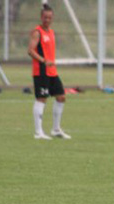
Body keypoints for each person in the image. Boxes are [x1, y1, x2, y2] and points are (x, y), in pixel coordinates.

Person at [27, 4, 70, 140]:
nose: (47, 20)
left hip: (52, 71)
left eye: (49, 17)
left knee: (61, 97)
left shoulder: (51, 32)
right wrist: (44, 60)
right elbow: (30, 51)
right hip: (41, 71)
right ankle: (38, 132)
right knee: (41, 99)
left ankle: (56, 129)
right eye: (45, 17)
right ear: (41, 17)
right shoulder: (37, 32)